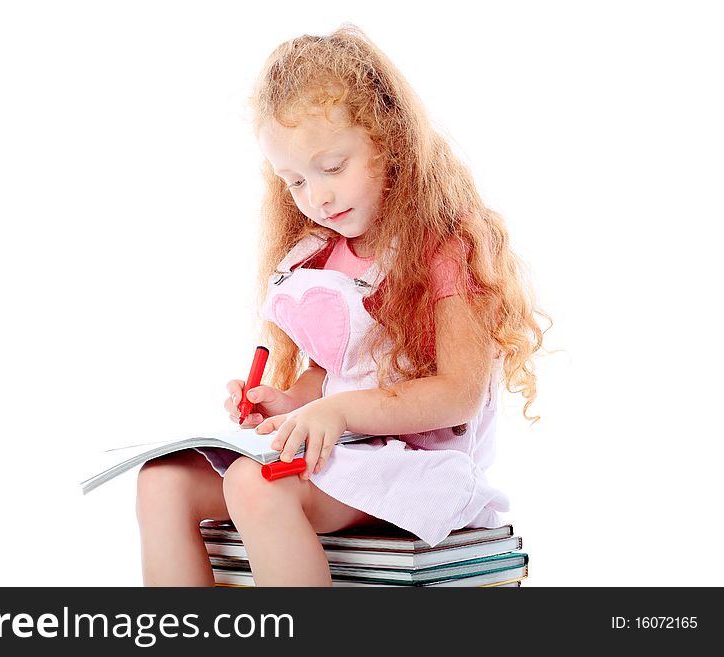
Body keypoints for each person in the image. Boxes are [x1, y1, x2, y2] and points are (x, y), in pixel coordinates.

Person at [135, 23, 549, 586]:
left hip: (417, 466)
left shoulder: (445, 244)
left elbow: (459, 394)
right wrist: (288, 403)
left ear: (391, 141)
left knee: (255, 485)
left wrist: (336, 413)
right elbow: (336, 375)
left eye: (331, 168)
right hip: (346, 454)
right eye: (295, 182)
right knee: (163, 480)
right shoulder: (321, 255)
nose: (317, 197)